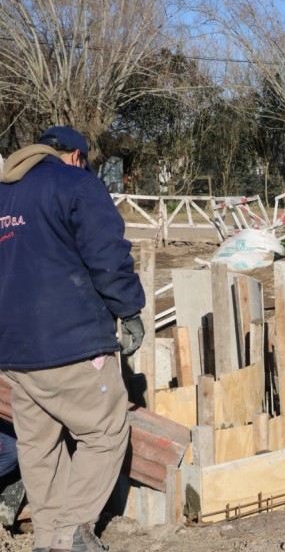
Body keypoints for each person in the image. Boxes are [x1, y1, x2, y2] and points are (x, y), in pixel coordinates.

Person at [0, 126, 145, 552]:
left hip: (14, 350)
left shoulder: (3, 193)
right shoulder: (78, 184)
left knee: (39, 444)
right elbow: (107, 255)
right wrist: (129, 311)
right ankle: (71, 531)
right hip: (70, 341)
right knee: (105, 431)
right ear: (77, 157)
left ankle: (47, 538)